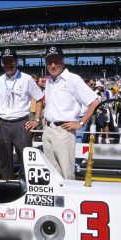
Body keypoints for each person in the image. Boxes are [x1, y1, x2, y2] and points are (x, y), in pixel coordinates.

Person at [43, 45, 99, 179]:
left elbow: (94, 102)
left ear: (63, 61)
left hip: (64, 131)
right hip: (48, 130)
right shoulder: (49, 81)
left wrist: (80, 123)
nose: (53, 65)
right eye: (49, 62)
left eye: (56, 61)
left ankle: (68, 199)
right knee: (52, 173)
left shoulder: (73, 79)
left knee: (66, 173)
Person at [0, 47, 44, 180]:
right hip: (3, 124)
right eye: (5, 62)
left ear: (16, 62)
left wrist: (36, 120)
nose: (8, 65)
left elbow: (40, 99)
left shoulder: (26, 79)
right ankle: (7, 187)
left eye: (11, 61)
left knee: (25, 160)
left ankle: (25, 187)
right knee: (5, 161)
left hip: (21, 124)